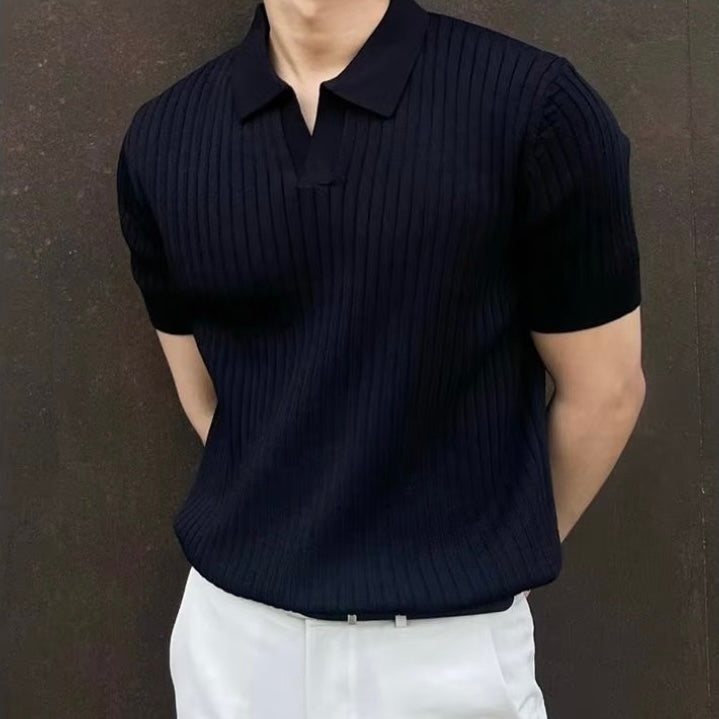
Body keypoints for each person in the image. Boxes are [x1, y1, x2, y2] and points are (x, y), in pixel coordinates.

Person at [115, 0, 646, 716]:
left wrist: (480, 558)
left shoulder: (533, 108)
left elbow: (605, 392)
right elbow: (207, 394)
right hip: (234, 644)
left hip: (446, 653)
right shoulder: (165, 137)